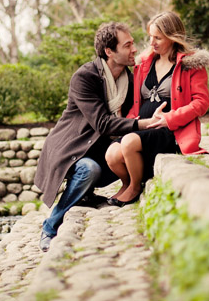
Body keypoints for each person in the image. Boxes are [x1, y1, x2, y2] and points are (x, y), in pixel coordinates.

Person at [34, 22, 165, 252]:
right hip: (73, 150)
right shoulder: (85, 77)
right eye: (128, 45)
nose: (134, 49)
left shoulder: (129, 78)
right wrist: (142, 124)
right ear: (109, 52)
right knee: (89, 170)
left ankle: (86, 193)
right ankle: (50, 226)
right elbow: (103, 123)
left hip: (102, 150)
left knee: (127, 157)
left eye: (133, 43)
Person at [104, 11, 209, 206]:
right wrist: (129, 123)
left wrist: (170, 118)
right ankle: (127, 183)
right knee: (111, 154)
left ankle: (136, 187)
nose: (151, 42)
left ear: (172, 37)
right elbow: (138, 103)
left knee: (128, 143)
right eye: (150, 36)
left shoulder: (190, 64)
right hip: (142, 127)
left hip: (170, 130)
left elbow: (201, 103)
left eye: (158, 38)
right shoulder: (144, 64)